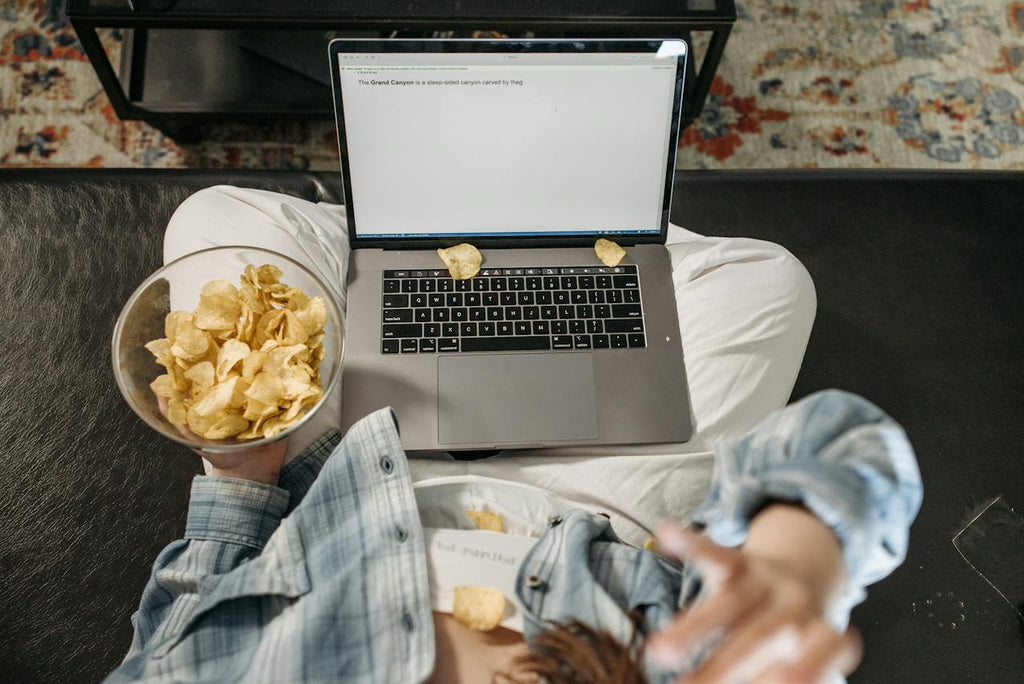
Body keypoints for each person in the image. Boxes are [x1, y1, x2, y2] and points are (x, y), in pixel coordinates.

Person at [105, 187, 922, 683]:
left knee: (217, 218)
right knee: (768, 280)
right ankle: (547, 220)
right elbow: (844, 437)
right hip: (613, 519)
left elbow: (183, 619)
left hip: (344, 484)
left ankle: (406, 231)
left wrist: (238, 473)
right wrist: (802, 560)